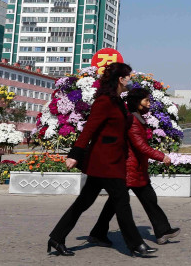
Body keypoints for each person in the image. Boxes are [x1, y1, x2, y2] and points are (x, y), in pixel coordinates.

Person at [47, 62, 156, 258]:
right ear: (121, 79)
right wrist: (75, 154)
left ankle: (57, 237)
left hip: (112, 159)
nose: (130, 80)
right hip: (104, 161)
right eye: (128, 77)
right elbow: (89, 129)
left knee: (84, 202)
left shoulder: (117, 101)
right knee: (121, 200)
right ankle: (136, 245)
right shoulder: (104, 101)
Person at [90, 88, 180, 245]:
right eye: (146, 100)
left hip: (135, 169)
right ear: (137, 103)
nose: (149, 103)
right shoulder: (133, 121)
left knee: (139, 200)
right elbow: (141, 146)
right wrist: (162, 156)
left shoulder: (137, 119)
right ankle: (161, 231)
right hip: (130, 169)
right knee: (118, 203)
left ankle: (162, 231)